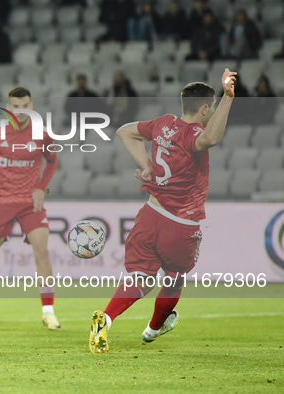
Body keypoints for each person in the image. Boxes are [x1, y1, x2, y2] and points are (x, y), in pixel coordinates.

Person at [89, 69, 237, 354]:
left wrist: (148, 165)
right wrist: (229, 98)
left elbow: (124, 132)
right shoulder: (195, 133)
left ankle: (105, 318)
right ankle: (153, 329)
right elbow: (210, 140)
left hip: (149, 215)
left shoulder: (162, 124)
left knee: (139, 279)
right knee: (174, 280)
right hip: (180, 225)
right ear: (205, 108)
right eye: (213, 108)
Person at [0, 86, 61, 331]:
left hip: (30, 202)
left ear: (31, 106)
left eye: (25, 106)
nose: (20, 111)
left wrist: (41, 187)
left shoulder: (42, 134)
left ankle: (48, 313)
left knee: (42, 252)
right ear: (8, 107)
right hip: (1, 201)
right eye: (15, 106)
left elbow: (52, 160)